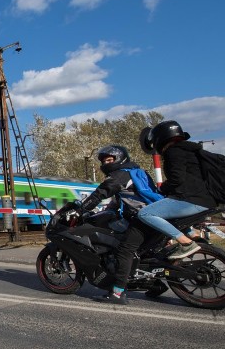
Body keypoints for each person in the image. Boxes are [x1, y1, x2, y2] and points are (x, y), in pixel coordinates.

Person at [75, 144, 160, 305]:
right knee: (141, 250)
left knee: (123, 251)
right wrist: (109, 208)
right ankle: (155, 284)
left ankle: (118, 292)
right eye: (104, 161)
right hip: (152, 214)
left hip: (143, 218)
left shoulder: (120, 175)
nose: (106, 163)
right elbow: (128, 197)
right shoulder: (136, 172)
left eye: (109, 160)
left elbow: (101, 193)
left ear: (120, 158)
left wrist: (82, 209)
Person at [137, 120, 216, 260]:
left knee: (145, 214)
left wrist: (161, 188)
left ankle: (186, 243)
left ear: (160, 138)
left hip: (191, 199)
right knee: (171, 215)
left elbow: (177, 179)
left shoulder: (174, 151)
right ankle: (193, 236)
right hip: (205, 199)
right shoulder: (191, 150)